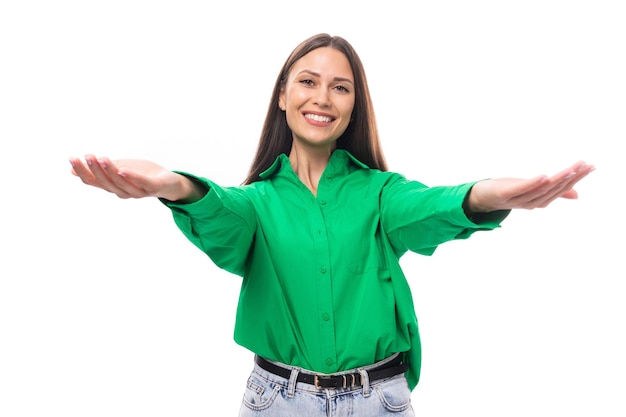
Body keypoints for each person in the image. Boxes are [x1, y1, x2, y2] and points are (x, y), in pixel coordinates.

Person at [69, 33, 594, 417]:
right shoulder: (257, 203)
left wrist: (488, 195)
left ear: (352, 108)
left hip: (378, 401)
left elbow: (434, 205)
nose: (322, 97)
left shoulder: (382, 194)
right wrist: (173, 184)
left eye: (340, 88)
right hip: (277, 401)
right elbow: (219, 210)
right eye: (308, 82)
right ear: (282, 95)